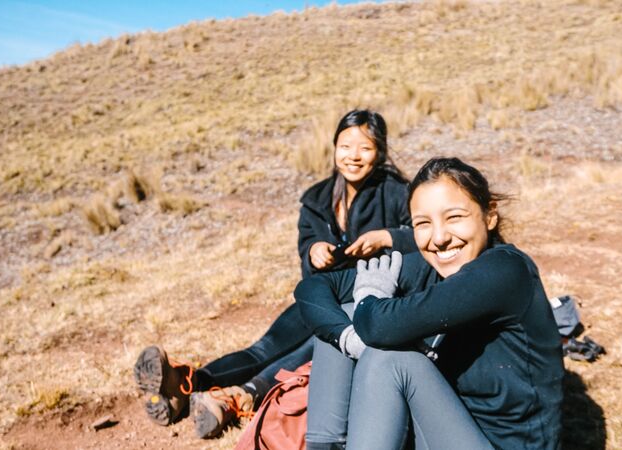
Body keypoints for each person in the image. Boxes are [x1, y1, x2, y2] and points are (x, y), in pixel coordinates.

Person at [133, 109, 417, 439]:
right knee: (263, 347)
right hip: (322, 294)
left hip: (366, 303)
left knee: (315, 346)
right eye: (346, 146)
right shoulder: (317, 199)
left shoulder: (398, 193)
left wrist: (387, 237)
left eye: (365, 148)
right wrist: (313, 253)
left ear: (380, 152)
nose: (354, 156)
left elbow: (423, 239)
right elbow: (306, 248)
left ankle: (238, 396)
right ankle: (186, 383)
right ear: (334, 147)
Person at [295, 157, 564, 450]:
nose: (439, 238)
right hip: (443, 431)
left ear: (490, 215)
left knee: (390, 358)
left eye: (454, 218)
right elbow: (315, 286)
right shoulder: (430, 266)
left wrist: (369, 298)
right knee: (345, 315)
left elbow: (377, 326)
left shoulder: (505, 272)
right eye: (423, 223)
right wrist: (346, 338)